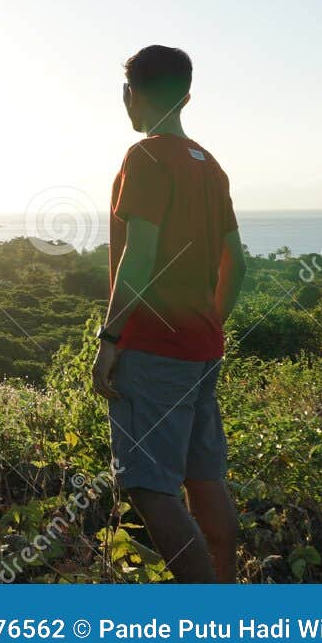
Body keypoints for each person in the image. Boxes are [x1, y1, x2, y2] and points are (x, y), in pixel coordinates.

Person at [91, 45, 247, 582]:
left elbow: (139, 255)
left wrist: (110, 337)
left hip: (153, 350)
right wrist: (209, 326)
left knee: (149, 486)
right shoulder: (209, 164)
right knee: (204, 478)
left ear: (130, 94)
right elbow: (239, 265)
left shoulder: (146, 158)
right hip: (202, 350)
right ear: (187, 95)